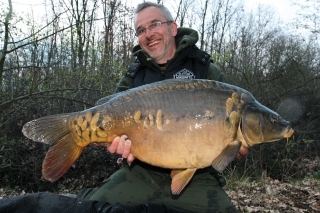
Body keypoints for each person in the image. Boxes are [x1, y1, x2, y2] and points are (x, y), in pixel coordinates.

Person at [77, 2, 248, 213]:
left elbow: (231, 144)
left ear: (173, 28)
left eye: (154, 24)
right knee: (90, 209)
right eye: (141, 30)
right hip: (138, 172)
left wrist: (234, 150)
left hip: (199, 177)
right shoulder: (133, 77)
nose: (149, 34)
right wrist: (111, 144)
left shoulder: (205, 70)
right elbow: (110, 128)